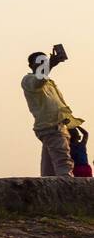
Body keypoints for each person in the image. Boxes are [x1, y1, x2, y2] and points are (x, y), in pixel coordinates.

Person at [21, 49, 82, 177]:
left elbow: (58, 105)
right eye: (40, 62)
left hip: (56, 126)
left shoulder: (49, 82)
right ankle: (66, 190)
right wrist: (50, 65)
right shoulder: (28, 80)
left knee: (48, 169)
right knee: (63, 163)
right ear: (31, 66)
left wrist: (70, 124)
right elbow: (38, 81)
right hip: (51, 127)